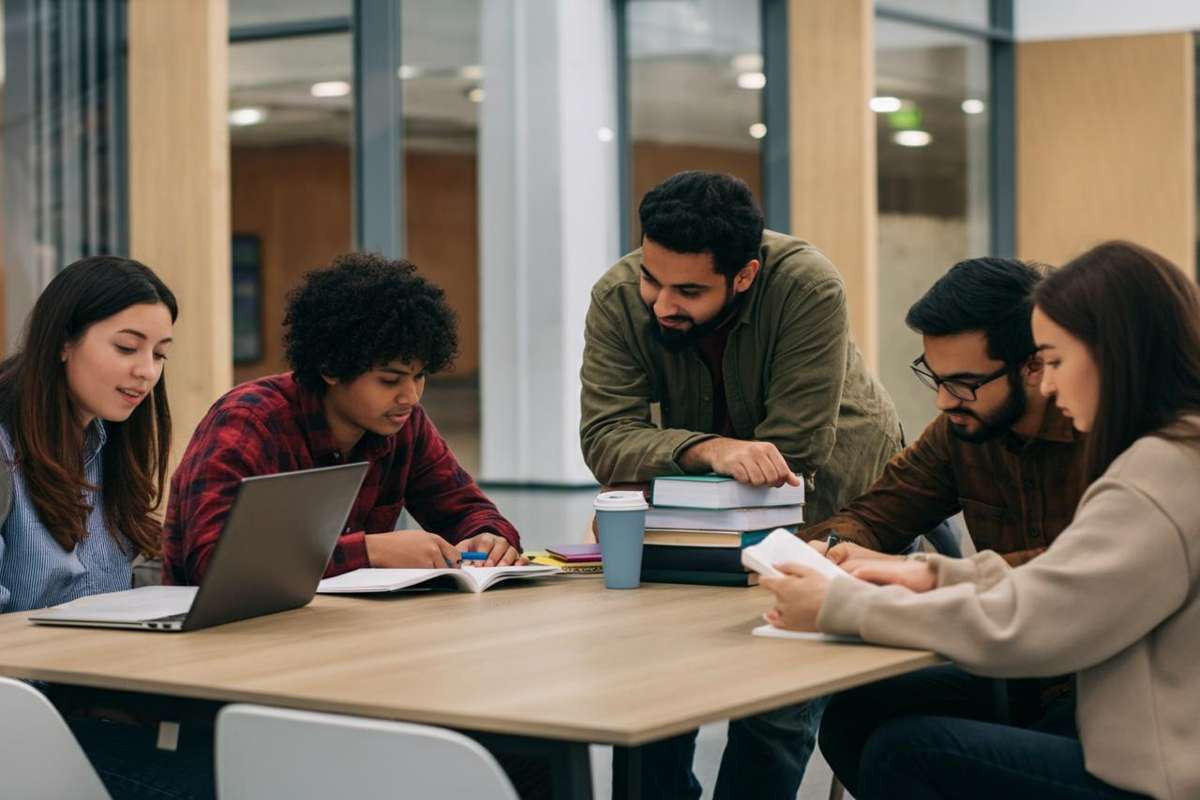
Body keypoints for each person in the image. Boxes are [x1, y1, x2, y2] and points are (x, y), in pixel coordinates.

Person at [762, 240, 1200, 799]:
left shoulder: (1159, 471)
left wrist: (841, 605)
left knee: (908, 754)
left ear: (1116, 356)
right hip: (1104, 705)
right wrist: (927, 574)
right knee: (863, 713)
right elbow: (1060, 587)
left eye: (1056, 360)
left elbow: (1039, 616)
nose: (1051, 383)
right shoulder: (1172, 452)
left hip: (1142, 756)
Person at [579, 171, 901, 799]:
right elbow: (605, 437)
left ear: (745, 275)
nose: (661, 304)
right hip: (698, 515)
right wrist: (707, 449)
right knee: (652, 684)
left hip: (836, 501)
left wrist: (663, 475)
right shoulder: (618, 295)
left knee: (776, 708)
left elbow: (794, 450)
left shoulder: (807, 286)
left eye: (689, 290)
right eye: (652, 278)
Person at [163, 252, 522, 586]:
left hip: (343, 624)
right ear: (331, 368)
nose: (411, 397)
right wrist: (371, 551)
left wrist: (488, 537)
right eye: (390, 380)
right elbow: (214, 562)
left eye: (420, 376)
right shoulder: (248, 421)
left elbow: (468, 510)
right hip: (228, 630)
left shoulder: (403, 424)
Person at [0, 256, 212, 799]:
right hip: (22, 723)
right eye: (126, 348)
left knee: (249, 753)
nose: (147, 371)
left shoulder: (107, 442)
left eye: (159, 354)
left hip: (91, 703)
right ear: (62, 342)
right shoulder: (6, 449)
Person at [804, 257, 1085, 569]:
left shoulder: (1104, 432)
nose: (944, 401)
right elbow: (877, 515)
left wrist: (923, 573)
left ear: (1033, 366)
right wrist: (832, 547)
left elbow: (1086, 566)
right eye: (936, 379)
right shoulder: (958, 430)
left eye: (962, 383)